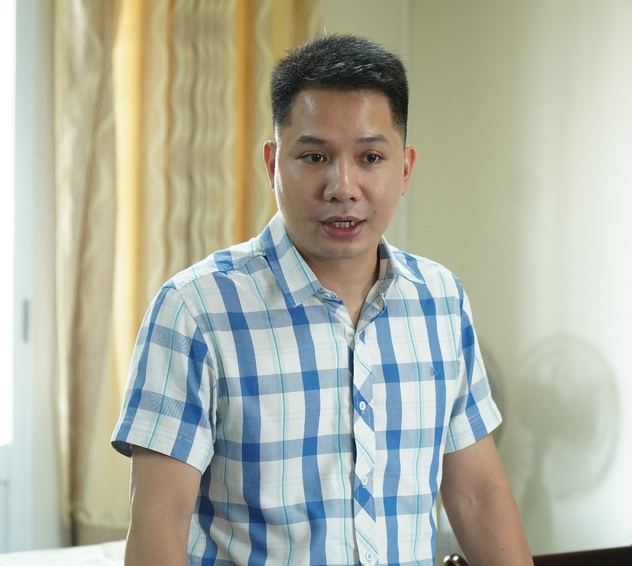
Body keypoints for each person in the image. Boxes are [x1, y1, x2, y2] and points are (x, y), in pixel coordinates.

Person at [112, 34, 532, 566]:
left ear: (404, 169)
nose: (343, 187)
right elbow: (160, 519)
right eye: (314, 156)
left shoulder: (440, 302)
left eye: (371, 157)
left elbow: (478, 494)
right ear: (272, 164)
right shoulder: (195, 311)